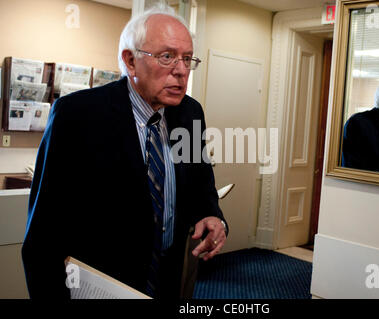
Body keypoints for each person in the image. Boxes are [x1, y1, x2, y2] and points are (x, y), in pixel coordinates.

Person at [22, 4, 228, 299]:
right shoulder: (77, 115)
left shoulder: (190, 113)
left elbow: (201, 185)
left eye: (187, 59)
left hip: (169, 280)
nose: (181, 70)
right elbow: (43, 236)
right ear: (130, 62)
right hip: (101, 285)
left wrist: (212, 215)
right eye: (167, 56)